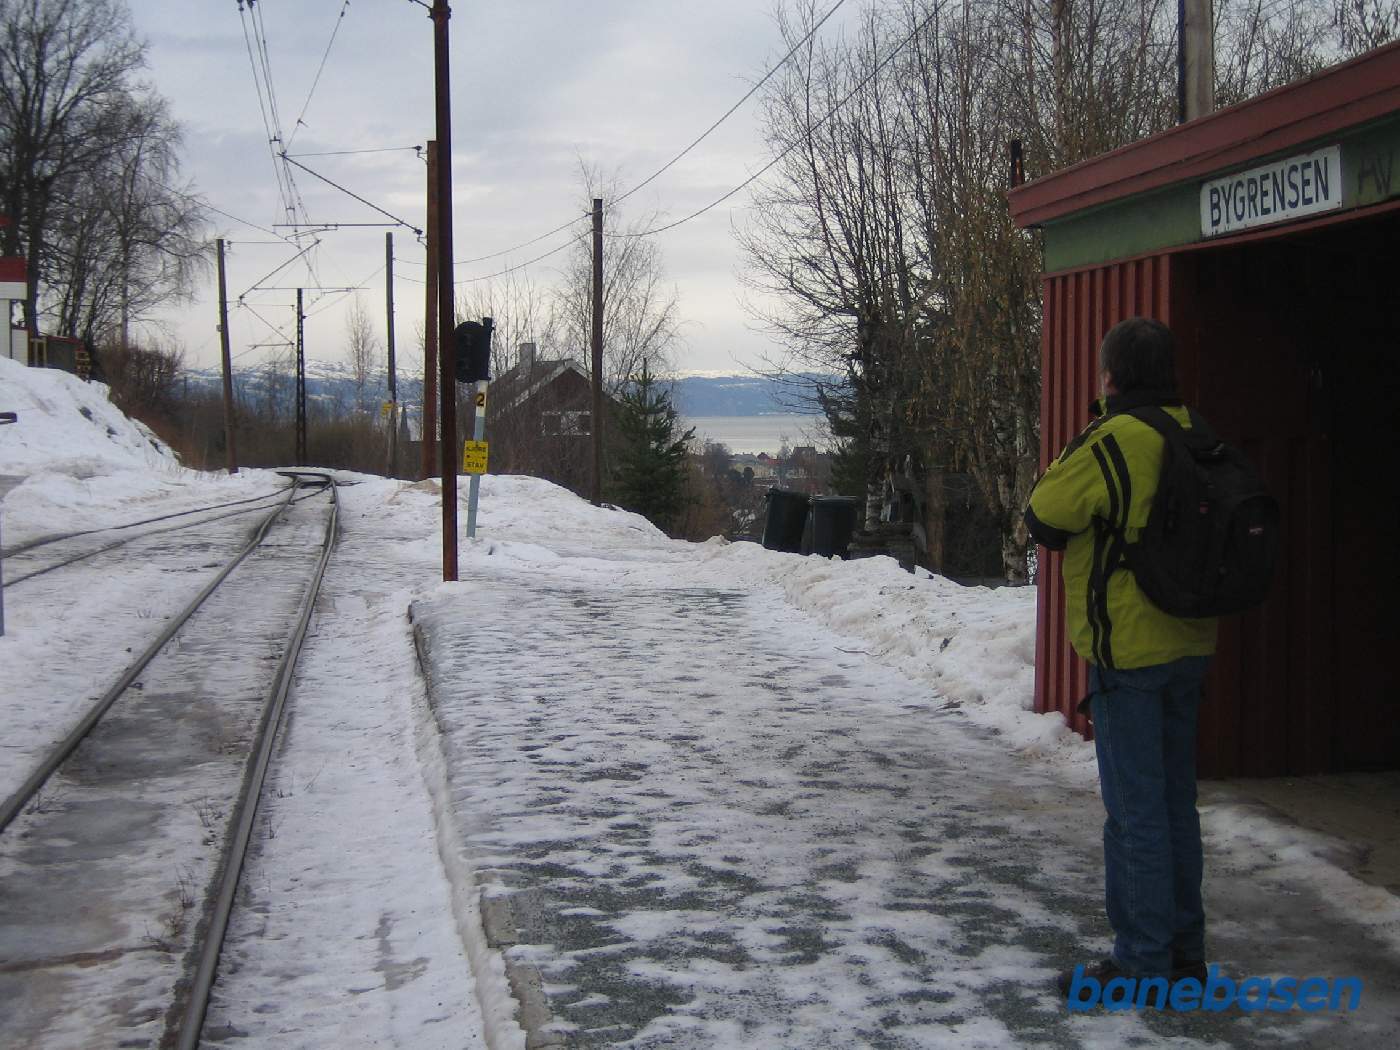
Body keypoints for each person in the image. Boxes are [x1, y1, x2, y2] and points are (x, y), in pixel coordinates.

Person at [1023, 316, 1216, 996]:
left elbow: (1044, 514)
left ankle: (1139, 962)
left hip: (1129, 649)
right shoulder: (1193, 431)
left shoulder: (1115, 439)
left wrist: (1088, 432)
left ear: (1111, 375)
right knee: (1174, 804)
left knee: (1134, 811)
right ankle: (1185, 951)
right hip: (1190, 640)